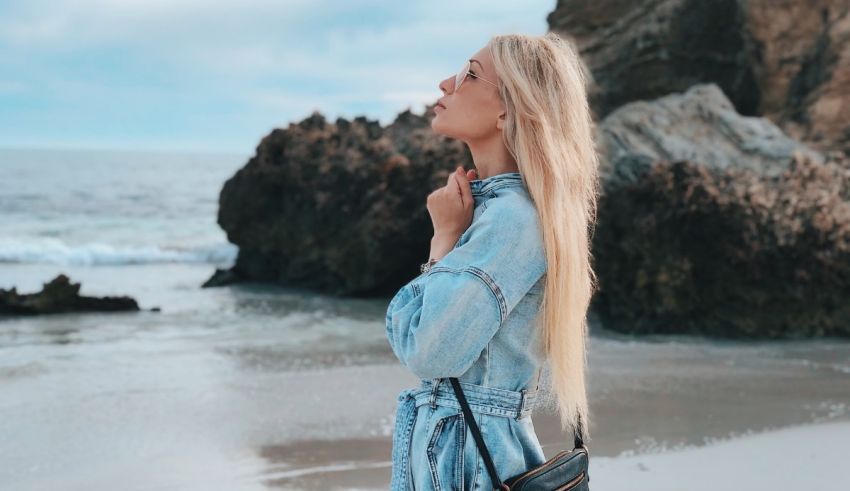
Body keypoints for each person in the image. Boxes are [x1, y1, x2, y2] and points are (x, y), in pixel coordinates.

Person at [386, 32, 600, 490]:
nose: (446, 83)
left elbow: (430, 351)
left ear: (510, 109)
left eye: (470, 75)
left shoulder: (511, 219)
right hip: (471, 450)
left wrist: (442, 240)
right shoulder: (506, 213)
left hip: (466, 459)